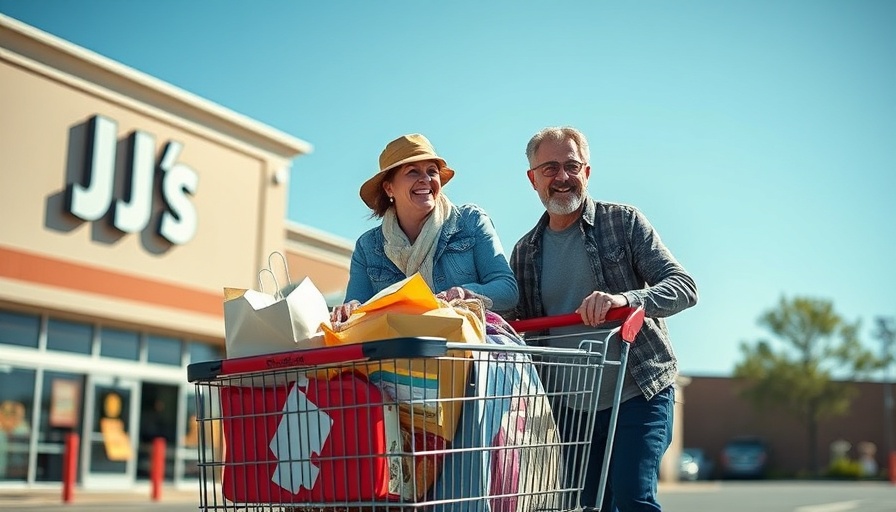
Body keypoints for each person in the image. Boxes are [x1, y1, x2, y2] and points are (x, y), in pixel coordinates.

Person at [508, 126, 698, 512]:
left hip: (638, 392)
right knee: (586, 506)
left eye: (571, 166)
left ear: (587, 172)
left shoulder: (623, 223)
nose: (562, 177)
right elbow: (512, 325)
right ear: (533, 180)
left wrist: (626, 299)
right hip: (572, 410)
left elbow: (684, 286)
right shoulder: (525, 252)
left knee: (632, 498)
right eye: (550, 168)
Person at [331, 133, 518, 322]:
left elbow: (508, 290)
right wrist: (350, 308)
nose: (426, 179)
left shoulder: (471, 221)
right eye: (413, 171)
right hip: (401, 349)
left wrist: (466, 294)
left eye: (432, 171)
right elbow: (356, 310)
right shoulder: (367, 247)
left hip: (467, 347)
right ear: (389, 188)